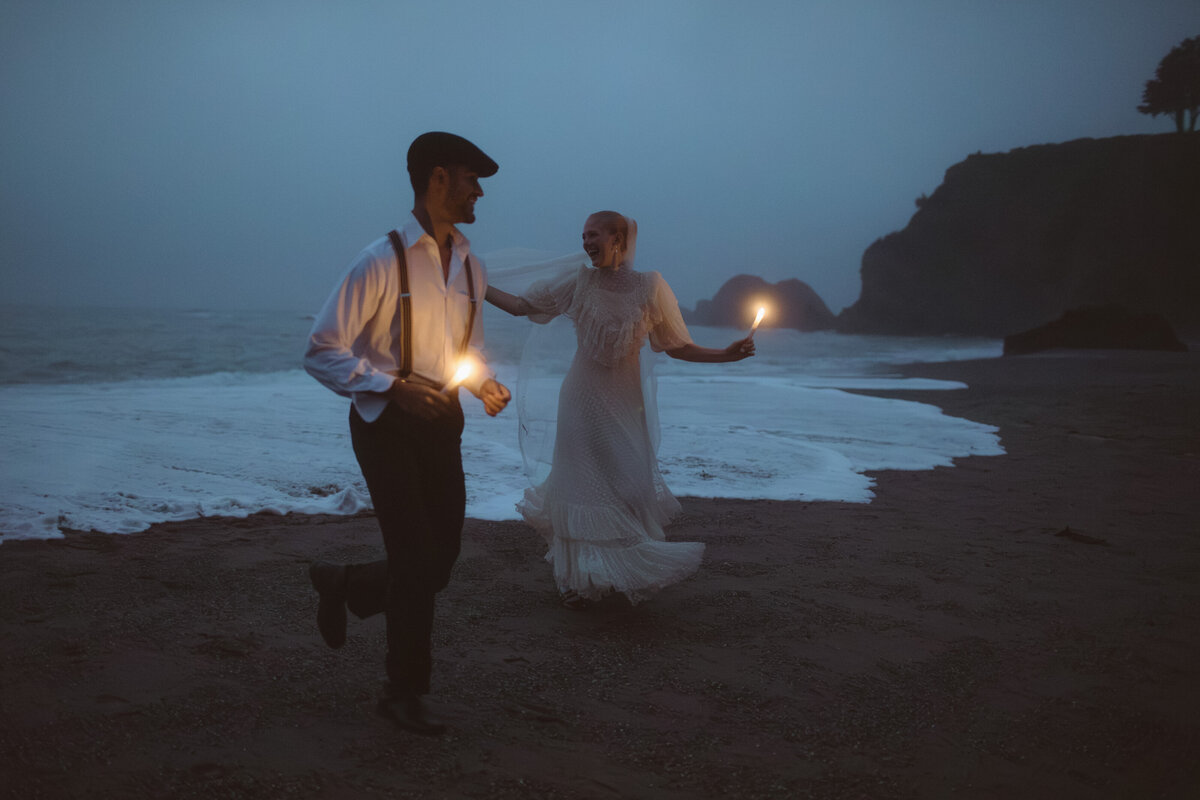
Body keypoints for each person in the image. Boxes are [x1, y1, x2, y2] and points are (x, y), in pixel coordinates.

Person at [303, 132, 511, 736]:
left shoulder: (472, 266)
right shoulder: (380, 259)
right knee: (416, 558)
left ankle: (345, 582)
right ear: (438, 178)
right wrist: (391, 388)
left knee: (440, 560)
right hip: (385, 424)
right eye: (472, 179)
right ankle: (403, 693)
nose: (478, 192)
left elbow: (467, 349)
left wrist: (483, 384)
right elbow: (321, 350)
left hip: (444, 419)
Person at [485, 211, 754, 608]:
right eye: (583, 236)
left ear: (618, 239)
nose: (585, 242)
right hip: (580, 398)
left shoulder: (650, 286)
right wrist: (475, 284)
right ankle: (579, 579)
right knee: (578, 485)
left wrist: (725, 355)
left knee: (629, 483)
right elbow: (521, 305)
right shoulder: (579, 281)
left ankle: (618, 569)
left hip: (625, 402)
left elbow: (677, 346)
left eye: (593, 234)